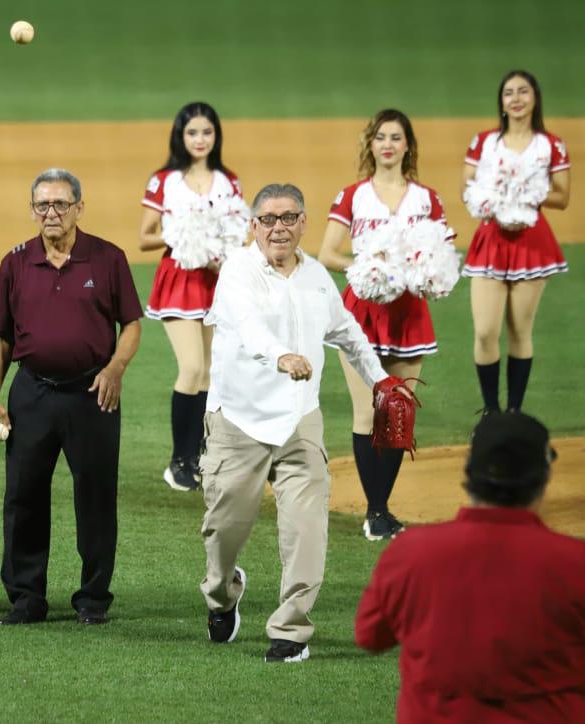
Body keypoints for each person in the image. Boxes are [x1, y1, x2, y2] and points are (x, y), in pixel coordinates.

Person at [200, 183, 400, 663]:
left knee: (308, 526)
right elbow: (248, 328)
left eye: (288, 218)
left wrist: (381, 381)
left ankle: (290, 630)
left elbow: (348, 332)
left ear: (303, 223)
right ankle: (222, 593)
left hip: (299, 422)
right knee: (223, 531)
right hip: (238, 421)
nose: (278, 228)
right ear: (253, 226)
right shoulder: (237, 272)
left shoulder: (315, 278)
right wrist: (281, 355)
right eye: (268, 219)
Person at [356, 412, 585, 721]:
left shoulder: (411, 553)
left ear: (467, 473)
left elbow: (371, 635)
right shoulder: (578, 565)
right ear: (545, 477)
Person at [0, 168, 142, 625]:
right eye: (42, 205)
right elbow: (0, 337)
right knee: (23, 496)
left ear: (79, 208)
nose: (51, 213)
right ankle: (26, 597)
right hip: (31, 392)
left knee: (95, 497)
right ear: (32, 209)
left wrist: (116, 367)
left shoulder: (108, 258)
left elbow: (131, 324)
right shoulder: (14, 263)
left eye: (60, 204)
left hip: (93, 393)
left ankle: (93, 599)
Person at [318, 109, 453, 541]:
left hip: (410, 313)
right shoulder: (353, 196)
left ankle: (382, 508)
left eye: (396, 137)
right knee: (367, 411)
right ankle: (376, 512)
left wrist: (429, 276)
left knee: (399, 410)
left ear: (408, 145)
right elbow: (328, 254)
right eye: (381, 137)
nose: (388, 144)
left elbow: (442, 257)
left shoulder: (427, 199)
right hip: (363, 310)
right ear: (371, 145)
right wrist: (368, 269)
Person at [139, 101, 245, 491]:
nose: (200, 140)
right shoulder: (164, 180)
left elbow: (238, 231)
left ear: (216, 136)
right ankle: (178, 461)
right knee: (192, 368)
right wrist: (186, 235)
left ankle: (200, 455)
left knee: (212, 373)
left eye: (207, 132)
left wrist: (221, 250)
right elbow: (145, 236)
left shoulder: (228, 180)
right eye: (192, 133)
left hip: (216, 281)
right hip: (180, 277)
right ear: (180, 137)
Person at [463, 70, 571, 414]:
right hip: (491, 240)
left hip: (532, 243)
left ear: (535, 98)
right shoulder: (484, 142)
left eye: (523, 91)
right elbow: (469, 187)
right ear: (502, 102)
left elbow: (562, 196)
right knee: (485, 332)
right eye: (509, 93)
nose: (516, 98)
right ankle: (492, 411)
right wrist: (492, 196)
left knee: (520, 331)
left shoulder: (550, 144)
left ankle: (514, 413)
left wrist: (526, 193)